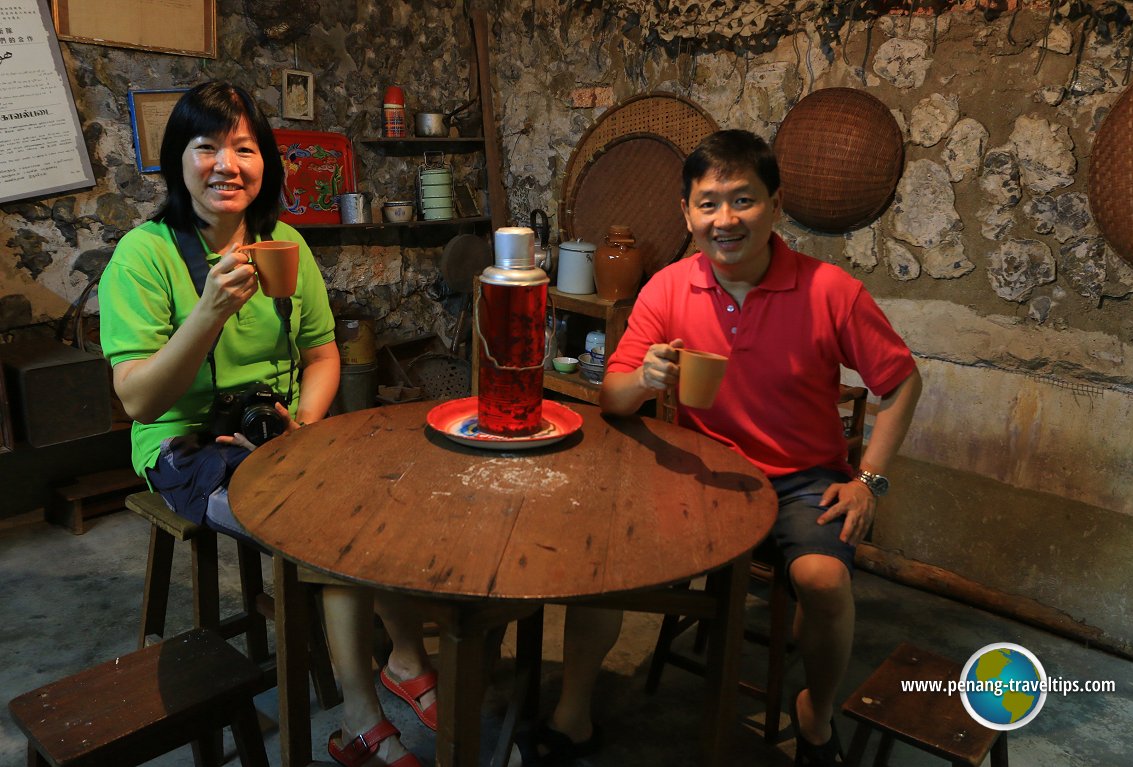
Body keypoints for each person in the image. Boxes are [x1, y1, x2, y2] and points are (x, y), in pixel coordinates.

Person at [516, 129, 922, 767]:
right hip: (698, 467)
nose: (724, 219)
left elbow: (902, 383)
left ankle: (814, 711)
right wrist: (644, 379)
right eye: (708, 203)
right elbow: (613, 399)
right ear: (687, 213)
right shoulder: (668, 288)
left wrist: (868, 481)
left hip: (802, 477)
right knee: (602, 557)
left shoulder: (829, 291)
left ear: (775, 206)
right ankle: (572, 716)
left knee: (822, 580)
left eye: (743, 200)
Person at [98, 80, 436, 767]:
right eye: (206, 146)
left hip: (276, 429)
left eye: (243, 148)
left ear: (265, 162)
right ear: (177, 159)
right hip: (184, 444)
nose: (226, 163)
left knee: (384, 494)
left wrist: (308, 418)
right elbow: (138, 400)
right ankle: (359, 716)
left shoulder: (281, 243)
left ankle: (403, 656)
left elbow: (321, 353)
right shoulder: (145, 255)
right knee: (326, 525)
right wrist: (208, 311)